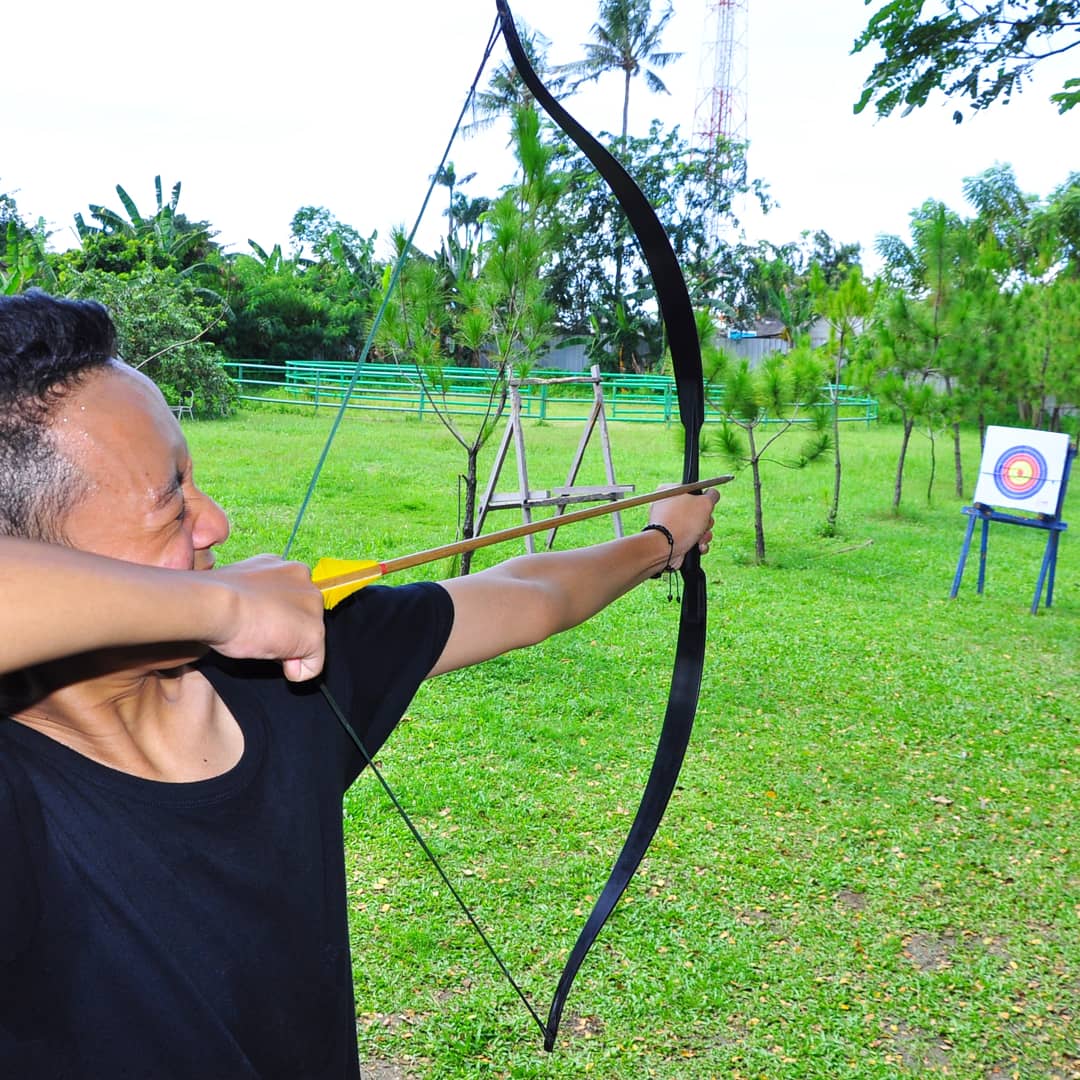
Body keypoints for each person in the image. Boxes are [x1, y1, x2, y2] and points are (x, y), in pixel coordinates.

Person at [0, 290, 717, 1079]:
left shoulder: (287, 678)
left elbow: (530, 595)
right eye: (171, 502)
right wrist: (220, 604)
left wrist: (661, 539)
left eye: (194, 478)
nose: (216, 524)